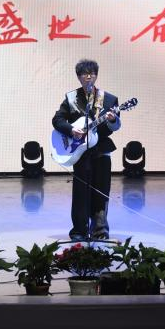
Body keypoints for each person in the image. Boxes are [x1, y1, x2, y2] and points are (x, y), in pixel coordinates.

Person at [52, 59, 121, 240]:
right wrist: (70, 130)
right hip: (80, 153)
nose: (89, 77)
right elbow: (57, 120)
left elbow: (115, 126)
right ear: (79, 77)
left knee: (101, 191)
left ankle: (100, 230)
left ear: (96, 76)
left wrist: (112, 119)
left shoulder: (109, 99)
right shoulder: (71, 98)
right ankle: (79, 230)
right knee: (80, 192)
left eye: (92, 73)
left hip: (101, 150)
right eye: (85, 74)